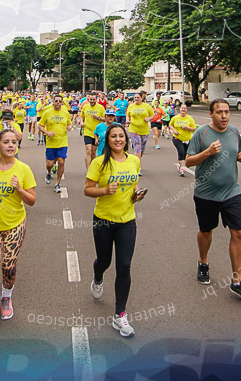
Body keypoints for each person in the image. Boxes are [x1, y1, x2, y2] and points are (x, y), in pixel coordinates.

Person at [185, 99, 241, 305]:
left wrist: (240, 157)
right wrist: (207, 152)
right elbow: (188, 161)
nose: (224, 116)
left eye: (226, 112)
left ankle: (238, 281)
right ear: (211, 114)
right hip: (206, 194)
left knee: (239, 232)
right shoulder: (202, 133)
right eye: (219, 112)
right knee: (206, 231)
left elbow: (235, 152)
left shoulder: (234, 132)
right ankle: (203, 262)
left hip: (231, 192)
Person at [84, 123, 146, 337]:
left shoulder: (134, 161)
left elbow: (134, 185)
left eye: (121, 136)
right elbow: (87, 189)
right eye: (114, 137)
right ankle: (98, 277)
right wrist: (104, 190)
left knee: (124, 266)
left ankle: (120, 315)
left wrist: (137, 194)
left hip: (127, 221)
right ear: (107, 140)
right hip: (103, 221)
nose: (118, 140)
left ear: (126, 139)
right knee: (104, 261)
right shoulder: (99, 163)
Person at [0, 131, 37, 321]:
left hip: (15, 224)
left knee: (8, 266)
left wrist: (19, 189)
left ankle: (6, 297)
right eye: (6, 142)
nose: (11, 145)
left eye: (14, 142)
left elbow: (32, 200)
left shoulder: (23, 169)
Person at [38, 94, 73, 193]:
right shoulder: (47, 112)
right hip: (51, 142)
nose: (57, 103)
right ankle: (48, 173)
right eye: (56, 101)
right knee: (50, 164)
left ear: (62, 102)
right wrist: (47, 133)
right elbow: (40, 126)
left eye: (59, 101)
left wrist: (69, 127)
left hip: (62, 141)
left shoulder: (65, 113)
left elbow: (69, 123)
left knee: (61, 161)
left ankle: (57, 183)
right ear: (53, 102)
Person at [125, 91, 154, 164]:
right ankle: (137, 167)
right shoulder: (131, 106)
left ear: (141, 98)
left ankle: (138, 160)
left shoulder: (147, 106)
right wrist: (128, 120)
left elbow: (152, 115)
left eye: (138, 97)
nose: (136, 99)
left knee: (142, 149)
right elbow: (127, 114)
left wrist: (148, 119)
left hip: (144, 130)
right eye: (135, 97)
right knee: (137, 148)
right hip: (133, 129)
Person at [80, 90, 107, 168]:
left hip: (97, 133)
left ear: (96, 99)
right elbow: (81, 115)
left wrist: (98, 117)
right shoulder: (85, 107)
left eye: (93, 99)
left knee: (93, 152)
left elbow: (105, 119)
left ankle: (93, 167)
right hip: (87, 131)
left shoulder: (100, 107)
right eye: (90, 99)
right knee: (88, 150)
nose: (92, 101)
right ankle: (88, 169)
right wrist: (82, 122)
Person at [170, 103, 198, 176]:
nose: (183, 109)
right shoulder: (175, 118)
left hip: (187, 138)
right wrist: (174, 130)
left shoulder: (189, 118)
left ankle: (180, 164)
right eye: (182, 108)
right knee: (181, 151)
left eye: (184, 108)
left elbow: (194, 128)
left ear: (186, 110)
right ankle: (182, 168)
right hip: (177, 137)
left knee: (185, 153)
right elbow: (170, 125)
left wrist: (187, 128)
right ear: (180, 109)